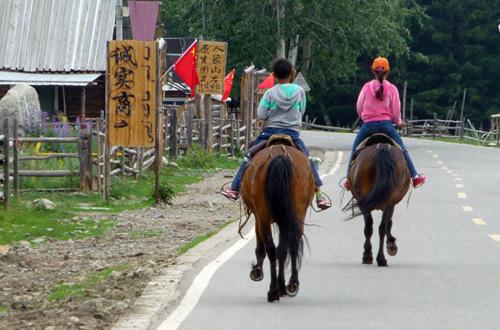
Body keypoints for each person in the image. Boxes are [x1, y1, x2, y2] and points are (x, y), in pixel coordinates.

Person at [221, 58, 331, 210]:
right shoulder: (299, 91)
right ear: (291, 73)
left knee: (248, 156)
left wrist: (271, 114)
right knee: (309, 159)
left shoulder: (270, 92)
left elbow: (261, 114)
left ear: (274, 75)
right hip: (293, 134)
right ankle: (319, 193)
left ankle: (234, 188)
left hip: (270, 132)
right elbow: (301, 110)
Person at [343, 57, 427, 190]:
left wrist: (366, 116)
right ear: (388, 71)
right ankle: (415, 177)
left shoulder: (366, 87)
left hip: (368, 126)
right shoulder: (392, 88)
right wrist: (398, 122)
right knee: (402, 149)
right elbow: (395, 112)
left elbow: (359, 108)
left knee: (355, 150)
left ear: (372, 70)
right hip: (386, 126)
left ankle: (348, 180)